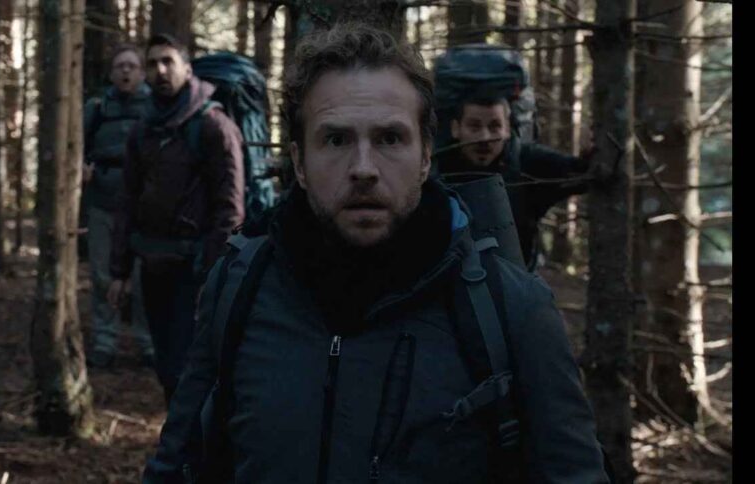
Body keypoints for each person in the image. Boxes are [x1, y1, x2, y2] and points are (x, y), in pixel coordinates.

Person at [143, 23, 609, 483]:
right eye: (336, 139)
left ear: (425, 157)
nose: (363, 169)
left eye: (389, 139)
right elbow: (177, 466)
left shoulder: (511, 310)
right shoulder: (239, 288)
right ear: (299, 163)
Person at [108, 33, 245, 406]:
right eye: (153, 63)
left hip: (195, 268)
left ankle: (192, 439)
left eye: (168, 61)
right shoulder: (143, 128)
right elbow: (127, 199)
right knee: (168, 365)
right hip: (154, 266)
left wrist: (214, 275)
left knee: (189, 369)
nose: (160, 70)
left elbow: (230, 209)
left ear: (187, 68)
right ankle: (181, 435)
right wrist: (120, 270)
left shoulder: (213, 125)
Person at [439, 91, 596, 270]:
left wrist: (590, 154)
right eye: (474, 127)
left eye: (494, 127)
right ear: (455, 128)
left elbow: (583, 175)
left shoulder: (528, 162)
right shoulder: (434, 167)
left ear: (507, 129)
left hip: (515, 280)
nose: (484, 138)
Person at [82, 44, 154, 369]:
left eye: (131, 66)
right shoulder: (97, 108)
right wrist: (82, 168)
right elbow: (78, 146)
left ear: (141, 72)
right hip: (103, 201)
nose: (126, 71)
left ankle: (148, 342)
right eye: (120, 66)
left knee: (143, 278)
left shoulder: (156, 107)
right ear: (111, 73)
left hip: (144, 207)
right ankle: (105, 341)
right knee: (101, 275)